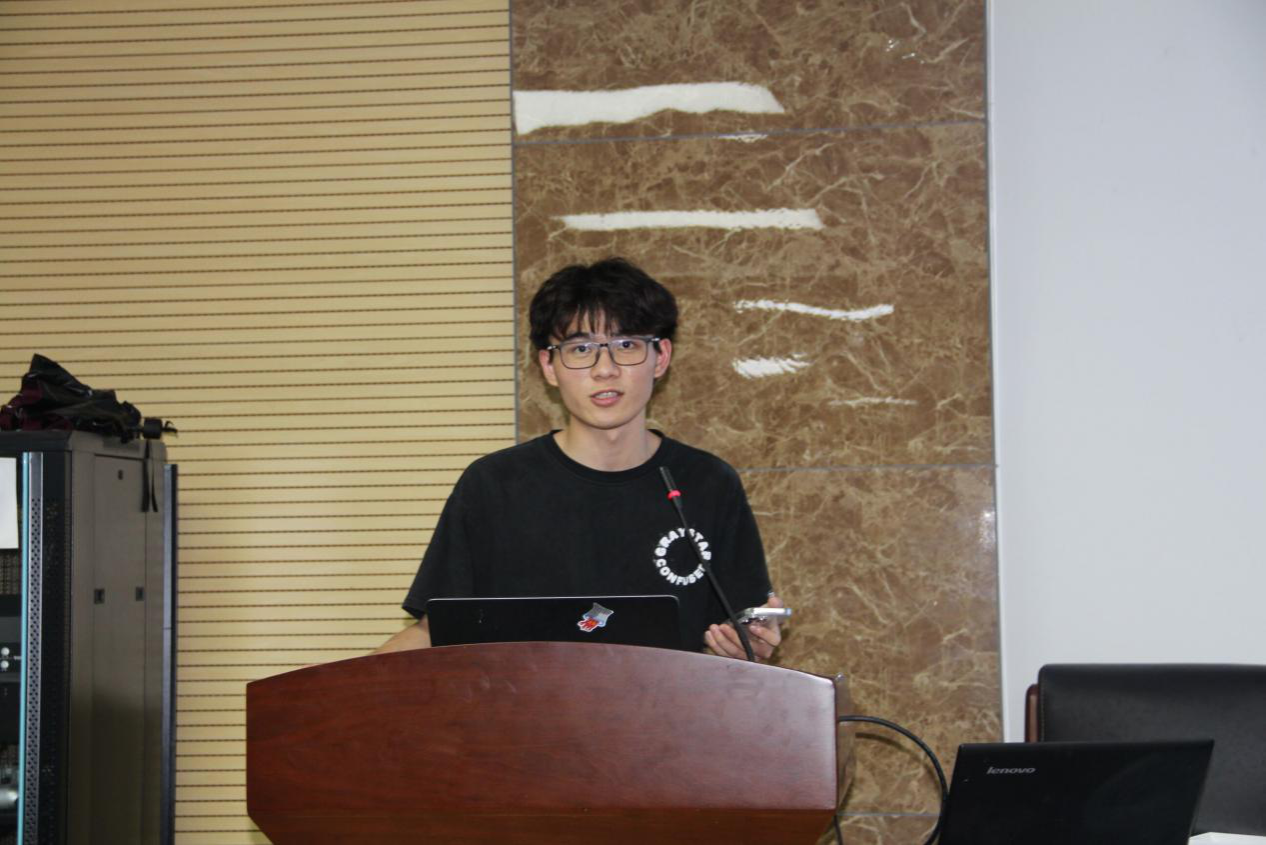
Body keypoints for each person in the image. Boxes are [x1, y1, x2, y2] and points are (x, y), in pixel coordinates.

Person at [374, 258, 783, 659]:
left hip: (668, 705)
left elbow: (745, 625)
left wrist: (751, 640)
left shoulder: (708, 483)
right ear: (549, 366)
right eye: (581, 348)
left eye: (626, 345)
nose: (605, 369)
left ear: (660, 357)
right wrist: (339, 690)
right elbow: (435, 631)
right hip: (523, 705)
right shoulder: (495, 485)